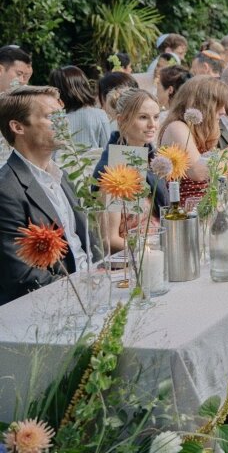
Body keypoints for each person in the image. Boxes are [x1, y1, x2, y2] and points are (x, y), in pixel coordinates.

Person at [0, 86, 92, 305]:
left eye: (62, 115)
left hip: (91, 284)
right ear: (18, 127)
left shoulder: (63, 175)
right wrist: (81, 290)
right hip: (53, 302)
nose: (63, 123)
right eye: (52, 117)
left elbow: (86, 243)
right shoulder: (6, 190)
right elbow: (20, 275)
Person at [93, 88, 168, 253]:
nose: (152, 125)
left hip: (161, 248)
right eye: (143, 117)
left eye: (156, 117)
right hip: (133, 262)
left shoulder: (150, 158)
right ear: (121, 121)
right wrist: (150, 250)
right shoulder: (115, 169)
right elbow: (109, 240)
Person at [158, 76, 228, 204]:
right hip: (185, 211)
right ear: (203, 104)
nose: (223, 112)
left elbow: (216, 170)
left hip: (205, 207)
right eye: (219, 105)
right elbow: (198, 172)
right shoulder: (177, 127)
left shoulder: (200, 132)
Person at [49, 66, 111, 149]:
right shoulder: (99, 115)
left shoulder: (51, 119)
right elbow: (108, 149)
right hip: (93, 161)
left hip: (58, 161)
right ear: (83, 86)